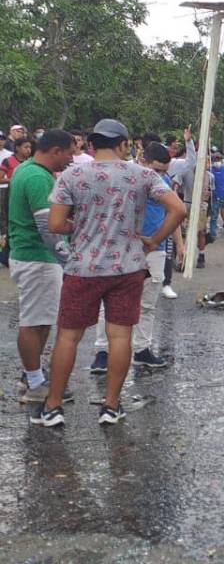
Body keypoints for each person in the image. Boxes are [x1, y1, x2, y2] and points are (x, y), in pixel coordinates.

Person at [32, 119, 186, 427]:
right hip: (127, 267)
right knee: (119, 335)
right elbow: (178, 210)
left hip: (83, 268)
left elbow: (55, 224)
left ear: (91, 145)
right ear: (124, 144)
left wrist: (83, 229)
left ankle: (52, 407)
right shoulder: (143, 175)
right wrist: (153, 241)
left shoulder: (72, 175)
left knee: (68, 337)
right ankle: (111, 406)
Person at [91, 141, 174, 371]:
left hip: (154, 249)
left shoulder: (163, 182)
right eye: (155, 169)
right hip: (121, 247)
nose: (159, 175)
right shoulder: (122, 177)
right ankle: (102, 351)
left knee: (147, 303)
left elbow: (173, 213)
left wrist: (178, 243)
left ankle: (142, 349)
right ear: (142, 160)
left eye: (163, 171)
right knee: (109, 303)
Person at [8, 130, 75, 404]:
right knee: (34, 321)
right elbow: (48, 226)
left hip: (32, 255)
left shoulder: (26, 170)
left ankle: (32, 373)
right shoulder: (36, 177)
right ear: (56, 150)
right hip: (37, 257)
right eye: (70, 152)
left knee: (41, 318)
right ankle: (35, 382)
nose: (72, 159)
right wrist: (66, 258)